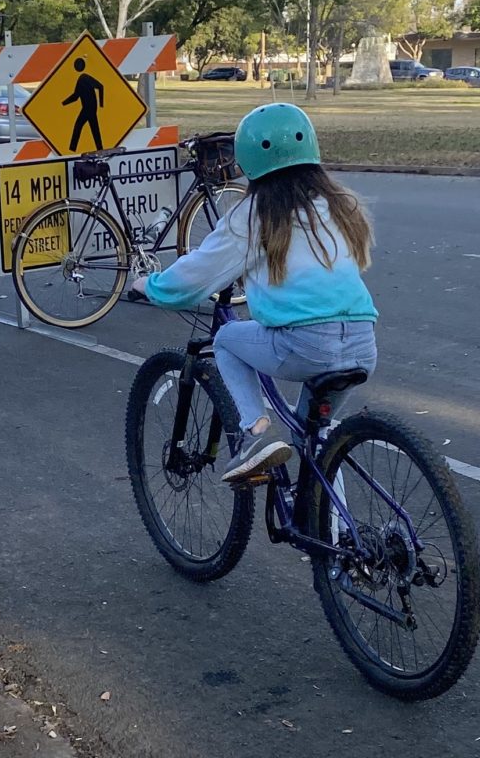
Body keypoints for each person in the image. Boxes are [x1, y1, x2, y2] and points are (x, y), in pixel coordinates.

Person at [131, 103, 378, 484]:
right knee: (316, 438)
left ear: (245, 161)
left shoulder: (253, 216)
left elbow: (194, 278)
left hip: (306, 345)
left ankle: (257, 432)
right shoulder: (339, 204)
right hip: (363, 341)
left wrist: (150, 285)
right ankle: (335, 535)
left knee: (227, 339)